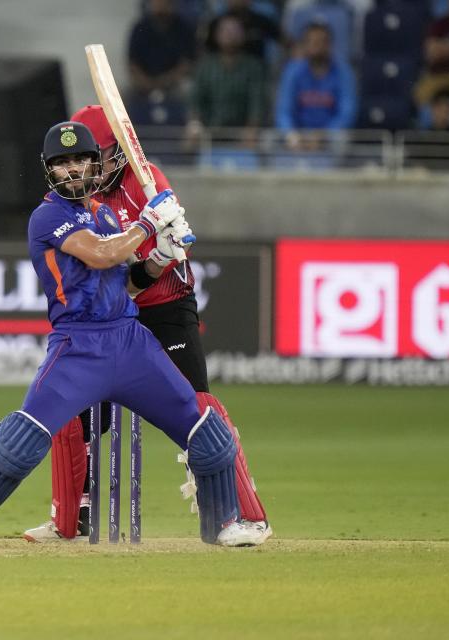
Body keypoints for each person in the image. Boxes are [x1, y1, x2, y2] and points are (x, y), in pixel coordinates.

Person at [0, 121, 260, 549]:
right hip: (79, 348)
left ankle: (223, 524)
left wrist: (162, 256)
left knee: (205, 430)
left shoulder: (106, 213)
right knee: (22, 440)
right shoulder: (47, 216)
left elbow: (126, 283)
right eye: (62, 163)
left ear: (96, 165)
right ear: (49, 171)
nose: (72, 170)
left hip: (131, 343)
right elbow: (100, 254)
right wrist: (148, 225)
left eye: (80, 160)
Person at [22, 105, 271, 546]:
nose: (81, 168)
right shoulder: (75, 204)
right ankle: (70, 520)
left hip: (166, 306)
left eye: (93, 155)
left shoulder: (145, 178)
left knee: (198, 405)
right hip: (113, 315)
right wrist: (144, 239)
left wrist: (170, 246)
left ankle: (243, 514)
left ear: (115, 153)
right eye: (75, 160)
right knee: (69, 416)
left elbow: (154, 264)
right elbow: (111, 267)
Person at [275, 22, 357, 151]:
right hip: (298, 134)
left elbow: (347, 113)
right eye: (312, 42)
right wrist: (292, 135)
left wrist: (324, 135)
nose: (316, 46)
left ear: (330, 45)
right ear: (305, 45)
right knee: (269, 140)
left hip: (329, 136)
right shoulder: (293, 70)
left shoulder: (343, 72)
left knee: (342, 139)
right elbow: (283, 111)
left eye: (321, 41)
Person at [188, 14, 266, 146]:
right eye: (226, 30)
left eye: (235, 30)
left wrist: (252, 128)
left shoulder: (254, 67)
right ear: (216, 35)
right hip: (210, 129)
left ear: (243, 35)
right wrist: (195, 125)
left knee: (255, 140)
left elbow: (257, 102)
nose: (230, 35)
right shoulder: (205, 66)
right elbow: (195, 101)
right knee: (190, 137)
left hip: (243, 131)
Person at [414, 0, 449, 105]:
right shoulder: (440, 24)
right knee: (421, 96)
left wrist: (447, 46)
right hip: (440, 75)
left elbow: (439, 49)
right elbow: (432, 53)